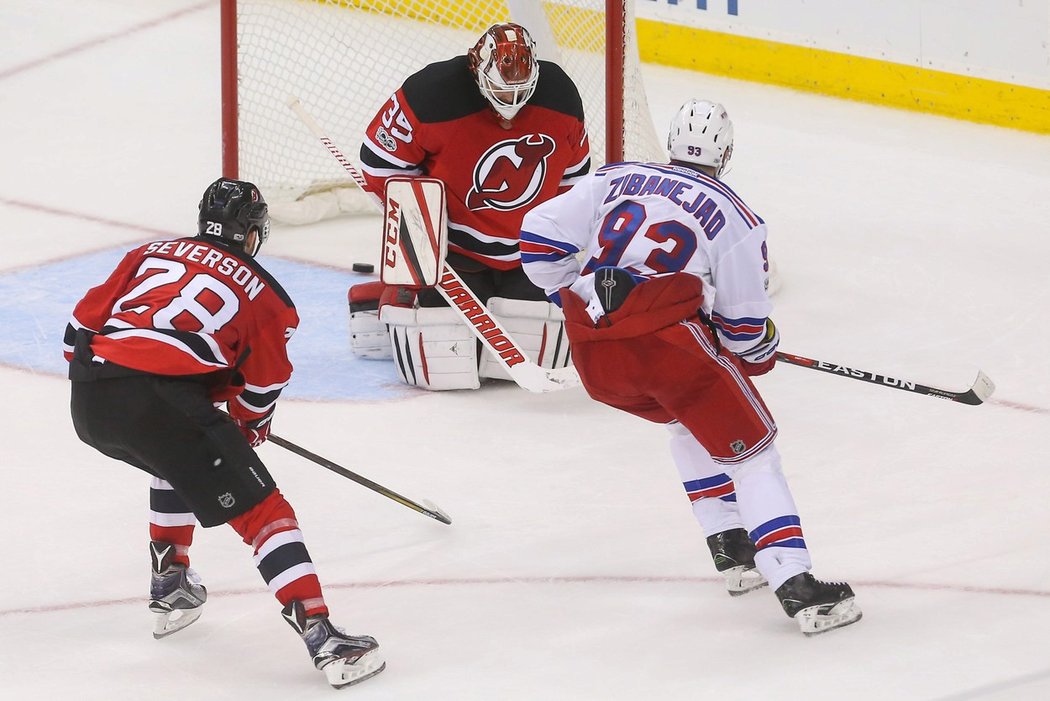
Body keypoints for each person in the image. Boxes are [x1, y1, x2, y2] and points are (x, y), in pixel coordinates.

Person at [518, 100, 862, 635]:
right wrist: (761, 347)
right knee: (755, 455)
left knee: (688, 419)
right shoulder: (736, 217)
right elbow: (743, 334)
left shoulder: (615, 177)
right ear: (725, 152)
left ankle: (733, 550)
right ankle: (796, 585)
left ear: (672, 142)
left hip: (593, 353)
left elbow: (538, 236)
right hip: (668, 353)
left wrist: (576, 293)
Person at [63, 178, 386, 687]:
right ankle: (324, 638)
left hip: (90, 397)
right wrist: (248, 425)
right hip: (162, 399)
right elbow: (264, 384)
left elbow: (78, 328)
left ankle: (172, 582)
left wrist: (122, 379)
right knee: (264, 511)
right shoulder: (269, 296)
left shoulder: (150, 252)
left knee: (175, 455)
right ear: (254, 233)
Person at [350, 22, 589, 390]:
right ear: (477, 69)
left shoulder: (560, 96)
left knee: (536, 342)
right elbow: (379, 163)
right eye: (499, 90)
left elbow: (574, 180)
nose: (510, 104)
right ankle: (382, 297)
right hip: (454, 251)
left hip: (527, 253)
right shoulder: (431, 94)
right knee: (442, 356)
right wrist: (424, 235)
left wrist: (552, 247)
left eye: (520, 92)